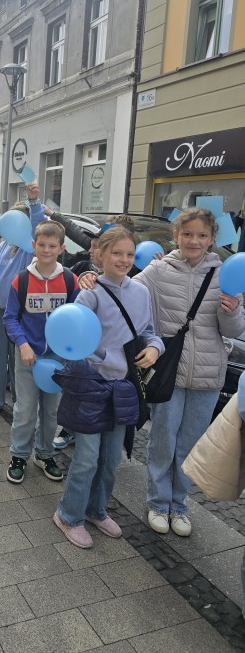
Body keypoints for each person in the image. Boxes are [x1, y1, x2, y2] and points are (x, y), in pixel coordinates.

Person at [133, 207, 245, 536]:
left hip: (209, 375)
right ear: (176, 236)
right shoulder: (157, 271)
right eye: (187, 234)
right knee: (163, 441)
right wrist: (93, 276)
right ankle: (157, 502)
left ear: (212, 239)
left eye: (201, 235)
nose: (194, 241)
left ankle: (178, 505)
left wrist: (233, 310)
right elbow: (125, 293)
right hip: (170, 372)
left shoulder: (226, 273)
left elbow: (233, 328)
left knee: (190, 444)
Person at [53, 227, 163, 548]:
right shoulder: (90, 292)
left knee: (111, 456)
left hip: (123, 386)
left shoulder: (141, 292)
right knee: (86, 457)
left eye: (130, 254)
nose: (124, 260)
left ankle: (95, 509)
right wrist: (103, 354)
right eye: (117, 253)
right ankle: (68, 514)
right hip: (91, 385)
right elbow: (73, 339)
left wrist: (155, 348)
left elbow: (149, 332)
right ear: (101, 254)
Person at [3, 220, 78, 484]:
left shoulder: (70, 279)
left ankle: (45, 453)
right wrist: (22, 344)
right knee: (24, 411)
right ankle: (19, 455)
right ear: (34, 246)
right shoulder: (21, 280)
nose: (46, 250)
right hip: (28, 357)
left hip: (58, 360)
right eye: (42, 245)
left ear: (62, 248)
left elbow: (78, 316)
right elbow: (10, 318)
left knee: (51, 411)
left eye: (52, 246)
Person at [0, 185, 48, 418]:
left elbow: (38, 224)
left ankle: (21, 400)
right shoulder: (4, 245)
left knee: (19, 357)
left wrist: (34, 201)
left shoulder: (29, 247)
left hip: (21, 314)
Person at [54, 231, 102, 450]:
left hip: (107, 352)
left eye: (95, 246)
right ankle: (68, 430)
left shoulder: (128, 278)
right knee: (75, 388)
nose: (90, 250)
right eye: (90, 245)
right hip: (81, 347)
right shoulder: (83, 268)